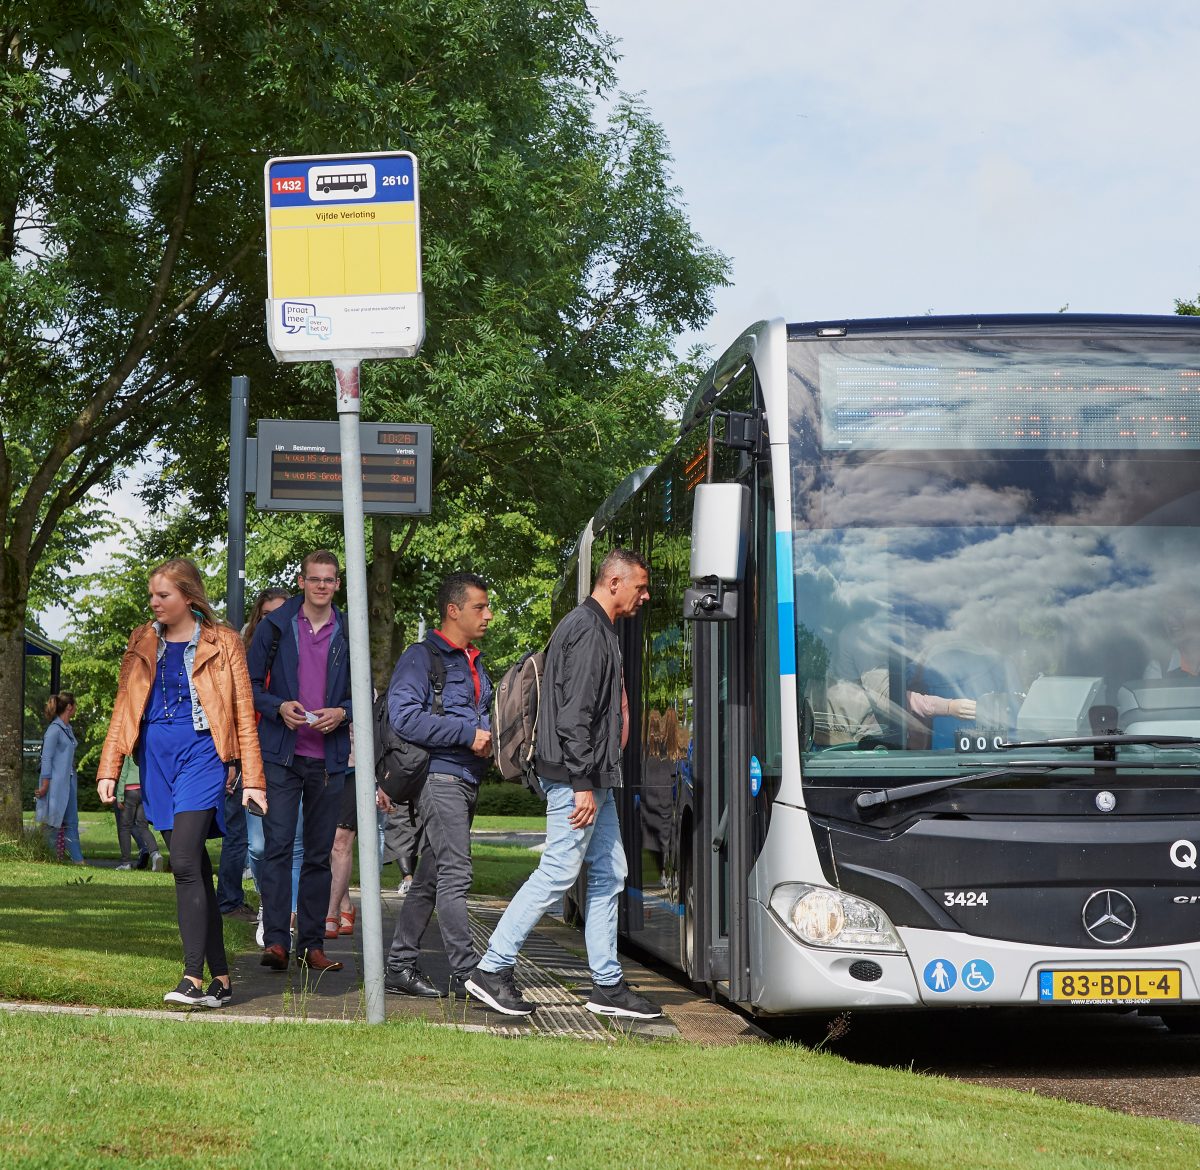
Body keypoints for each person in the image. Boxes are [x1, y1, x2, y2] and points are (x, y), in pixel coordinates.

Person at [466, 549, 662, 1020]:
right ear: (613, 582)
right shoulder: (589, 631)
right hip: (578, 778)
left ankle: (607, 985)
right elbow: (574, 719)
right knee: (557, 872)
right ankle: (491, 969)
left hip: (594, 777)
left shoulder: (592, 628)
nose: (645, 596)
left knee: (608, 871)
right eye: (640, 586)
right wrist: (580, 783)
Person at [96, 558, 267, 1009]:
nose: (154, 603)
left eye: (163, 595)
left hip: (203, 753)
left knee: (186, 859)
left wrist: (253, 777)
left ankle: (192, 976)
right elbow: (124, 706)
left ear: (189, 597)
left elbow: (244, 715)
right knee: (194, 871)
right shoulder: (143, 639)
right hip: (155, 757)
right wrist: (109, 767)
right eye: (152, 595)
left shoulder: (224, 641)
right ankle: (223, 980)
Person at [384, 573, 494, 998]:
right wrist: (468, 734)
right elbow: (404, 716)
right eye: (479, 607)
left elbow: (479, 713)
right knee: (455, 874)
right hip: (440, 776)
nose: (488, 615)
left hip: (465, 777)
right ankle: (470, 974)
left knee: (430, 876)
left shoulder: (474, 660)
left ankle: (400, 966)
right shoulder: (420, 657)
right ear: (453, 611)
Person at [247, 549, 352, 974]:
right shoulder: (275, 626)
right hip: (282, 754)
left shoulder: (350, 629)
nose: (322, 586)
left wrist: (343, 712)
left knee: (318, 854)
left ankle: (311, 946)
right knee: (275, 847)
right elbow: (249, 686)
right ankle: (275, 941)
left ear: (338, 585)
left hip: (329, 757)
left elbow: (365, 691)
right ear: (302, 581)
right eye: (315, 579)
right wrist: (277, 707)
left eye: (329, 580)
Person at [217, 586, 290, 922]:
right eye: (266, 615)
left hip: (288, 754)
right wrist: (231, 758)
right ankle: (252, 899)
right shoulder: (241, 655)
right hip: (249, 753)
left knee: (289, 840)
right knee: (252, 841)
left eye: (281, 614)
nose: (274, 622)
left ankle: (280, 910)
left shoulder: (301, 655)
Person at [36, 693, 83, 864]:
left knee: (71, 822)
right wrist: (45, 784)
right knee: (52, 822)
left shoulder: (67, 728)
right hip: (55, 783)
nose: (76, 708)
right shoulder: (54, 730)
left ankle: (78, 860)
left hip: (68, 781)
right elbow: (46, 758)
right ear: (69, 707)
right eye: (75, 705)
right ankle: (49, 858)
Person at [114, 755, 163, 871]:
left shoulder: (130, 753)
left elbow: (123, 773)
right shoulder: (148, 753)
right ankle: (155, 854)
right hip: (144, 791)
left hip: (129, 791)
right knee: (143, 827)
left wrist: (119, 795)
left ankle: (126, 863)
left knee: (125, 827)